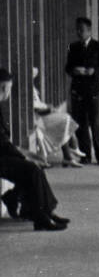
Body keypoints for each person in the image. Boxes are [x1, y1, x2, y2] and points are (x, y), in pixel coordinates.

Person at [0, 70, 69, 230]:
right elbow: (2, 143)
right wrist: (24, 155)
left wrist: (25, 154)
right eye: (9, 88)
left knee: (35, 168)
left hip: (3, 153)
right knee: (32, 170)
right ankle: (40, 218)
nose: (9, 93)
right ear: (3, 88)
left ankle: (45, 212)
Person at [65, 17, 99, 165]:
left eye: (82, 30)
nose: (79, 32)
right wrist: (74, 70)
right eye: (77, 29)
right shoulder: (73, 47)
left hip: (93, 90)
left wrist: (94, 71)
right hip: (78, 90)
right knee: (81, 124)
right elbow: (67, 67)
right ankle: (86, 155)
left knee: (96, 123)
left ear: (89, 31)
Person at [30, 68, 83, 166]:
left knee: (64, 120)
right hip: (37, 120)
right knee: (64, 120)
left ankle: (70, 153)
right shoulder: (27, 89)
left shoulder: (32, 87)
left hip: (40, 117)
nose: (33, 77)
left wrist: (48, 107)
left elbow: (38, 104)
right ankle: (72, 149)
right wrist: (49, 109)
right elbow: (35, 108)